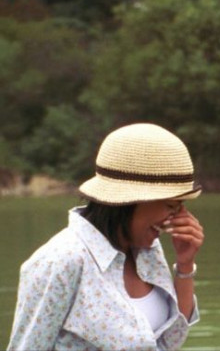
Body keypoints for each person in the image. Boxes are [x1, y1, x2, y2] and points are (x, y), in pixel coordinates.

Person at [7, 123, 204, 350]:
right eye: (171, 205)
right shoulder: (60, 262)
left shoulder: (148, 250)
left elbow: (171, 340)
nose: (179, 216)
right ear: (130, 200)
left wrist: (185, 265)